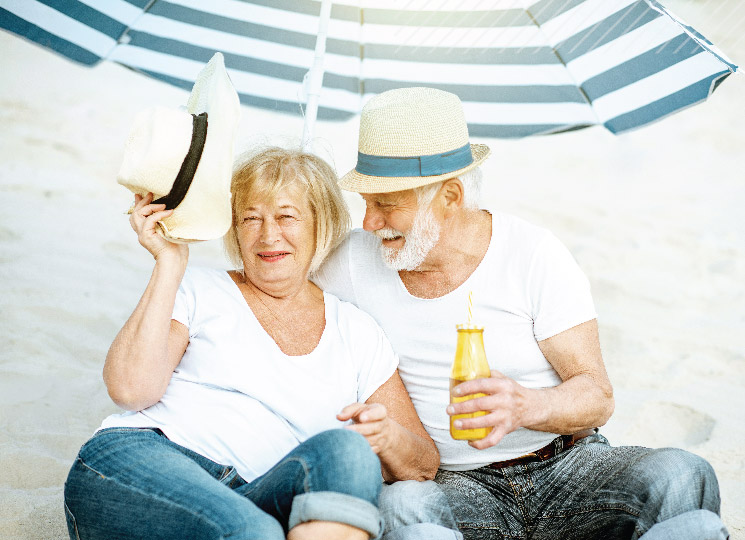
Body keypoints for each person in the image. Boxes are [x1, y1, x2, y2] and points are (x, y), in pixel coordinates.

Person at [313, 87, 728, 540]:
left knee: (682, 473)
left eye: (387, 203)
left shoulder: (533, 254)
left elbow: (597, 395)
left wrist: (527, 405)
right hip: (455, 484)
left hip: (568, 466)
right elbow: (273, 271)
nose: (370, 222)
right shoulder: (352, 261)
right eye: (367, 202)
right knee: (403, 504)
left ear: (450, 196)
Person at [63, 147, 440, 540]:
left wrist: (387, 437)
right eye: (251, 218)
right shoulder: (199, 288)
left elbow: (423, 464)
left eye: (286, 217)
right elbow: (129, 390)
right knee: (252, 530)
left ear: (321, 224)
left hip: (255, 492)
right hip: (145, 461)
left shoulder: (357, 332)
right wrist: (169, 265)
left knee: (347, 452)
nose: (268, 235)